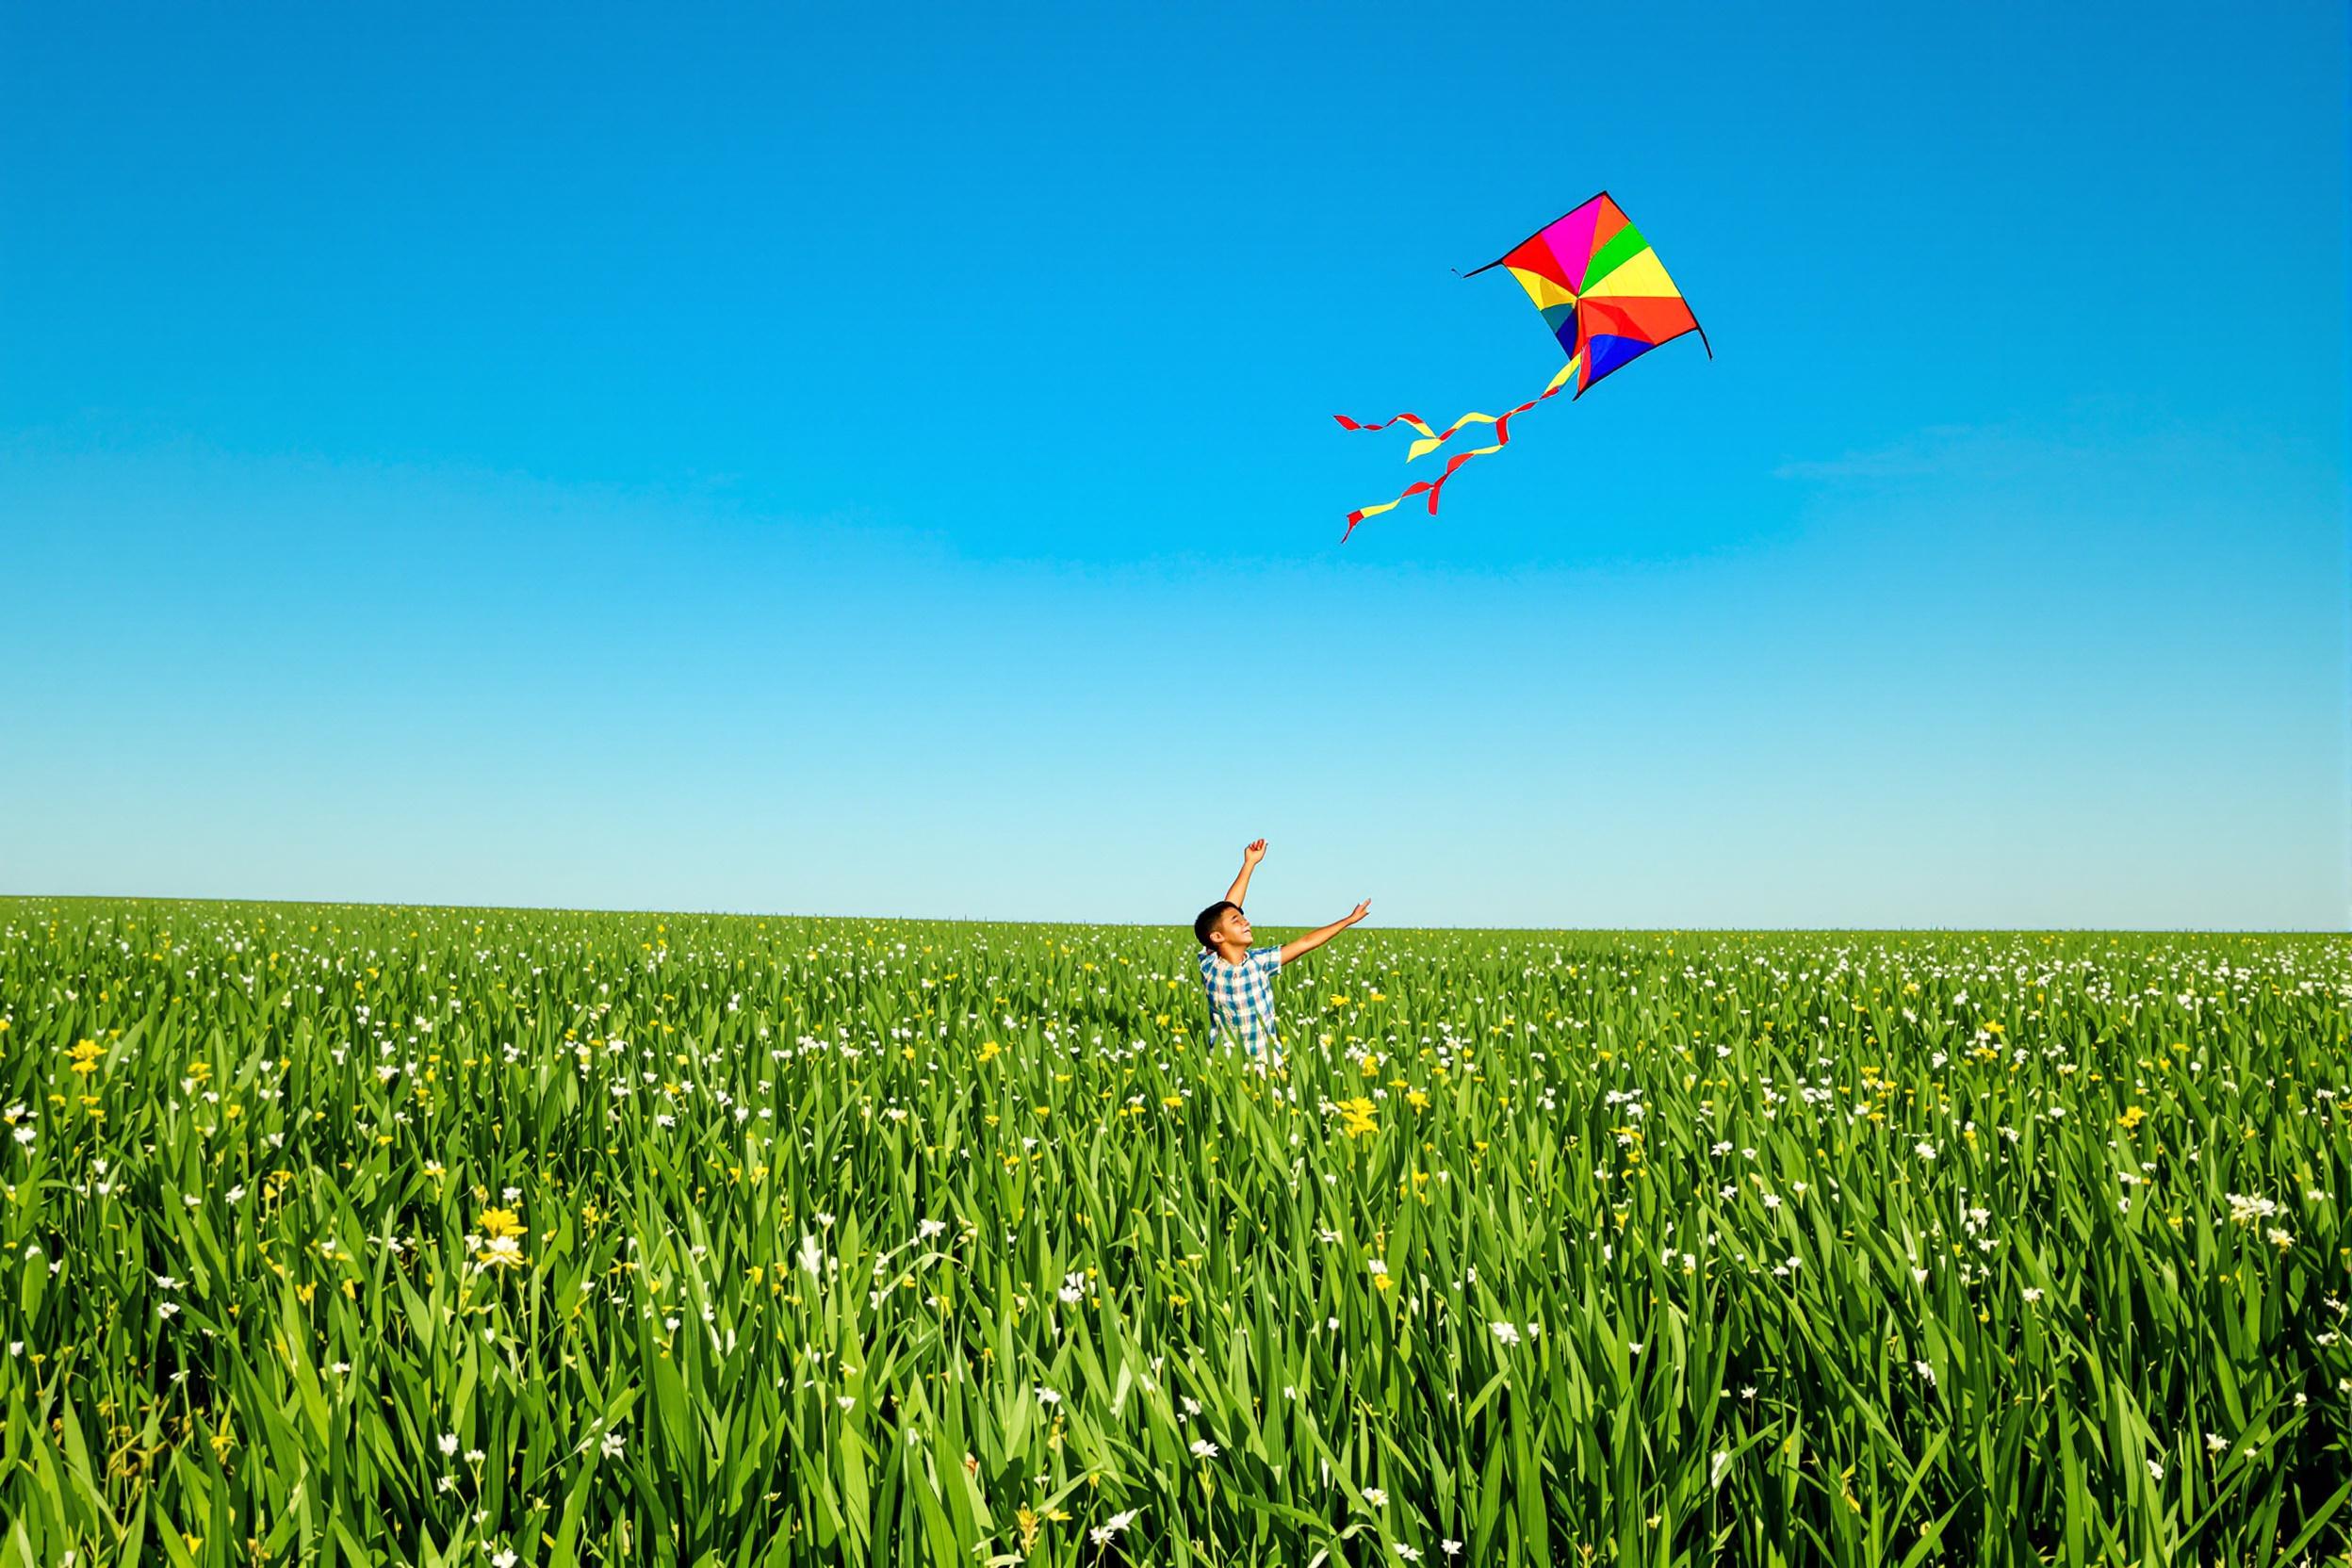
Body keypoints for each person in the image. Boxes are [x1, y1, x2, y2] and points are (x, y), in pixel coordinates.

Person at [1193, 839, 1370, 1069]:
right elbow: (1227, 906)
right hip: (1225, 1064)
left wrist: (1347, 921)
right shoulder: (1209, 964)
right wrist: (1248, 864)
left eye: (1244, 918)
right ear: (1217, 938)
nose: (1246, 922)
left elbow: (1306, 942)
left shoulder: (1260, 962)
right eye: (1237, 921)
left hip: (1266, 1062)